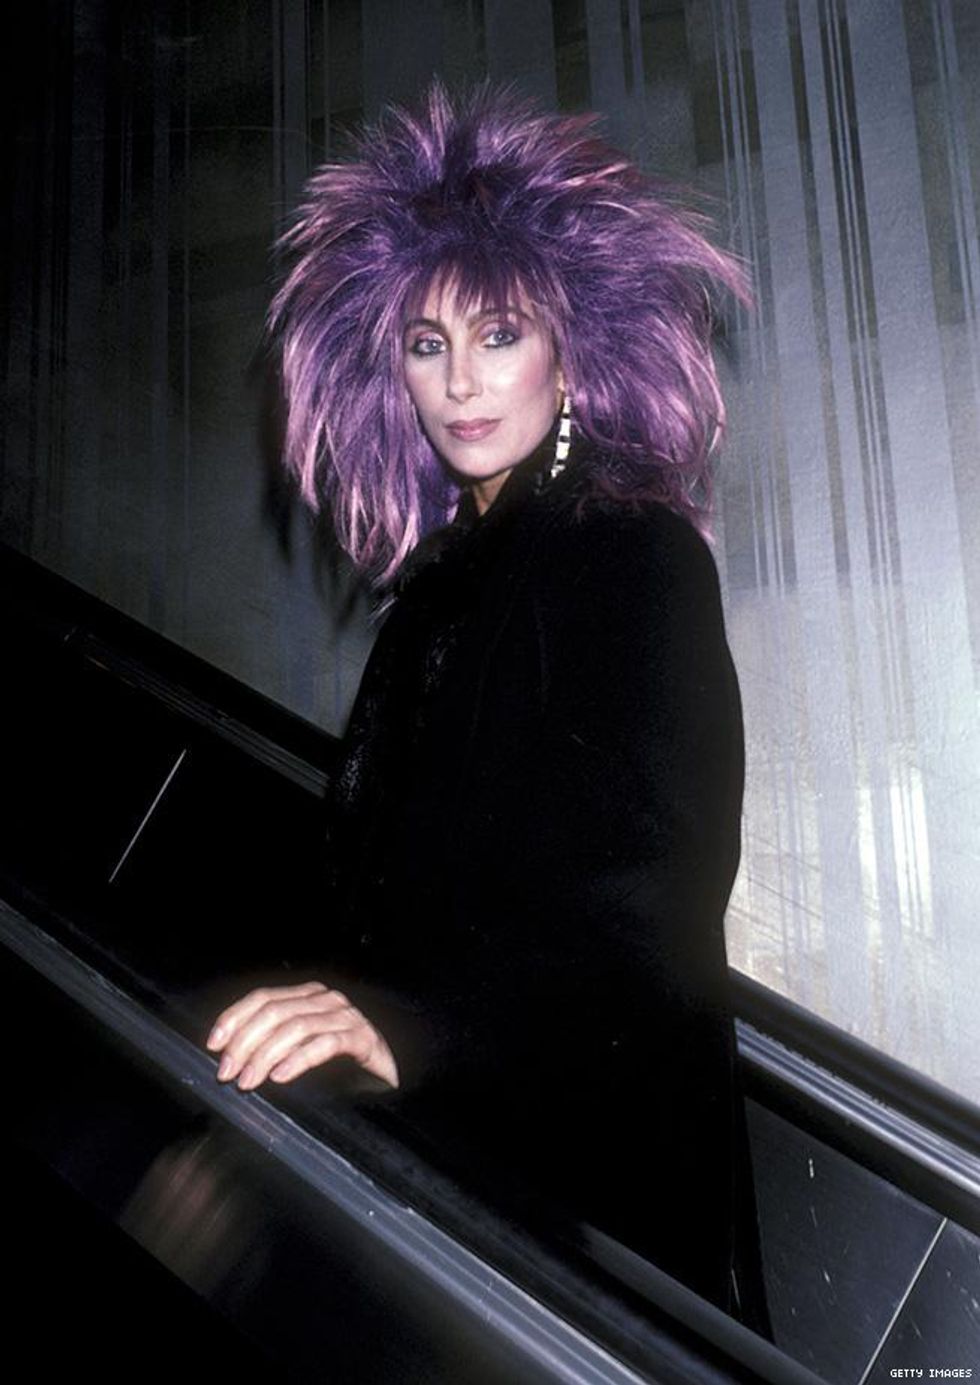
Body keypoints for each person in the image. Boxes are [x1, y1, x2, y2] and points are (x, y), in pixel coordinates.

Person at [205, 81, 771, 1335]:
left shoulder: (622, 546)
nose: (460, 380)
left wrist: (417, 1022)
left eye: (499, 333)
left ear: (571, 349)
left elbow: (648, 884)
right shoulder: (448, 582)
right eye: (426, 344)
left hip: (577, 1189)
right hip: (460, 1150)